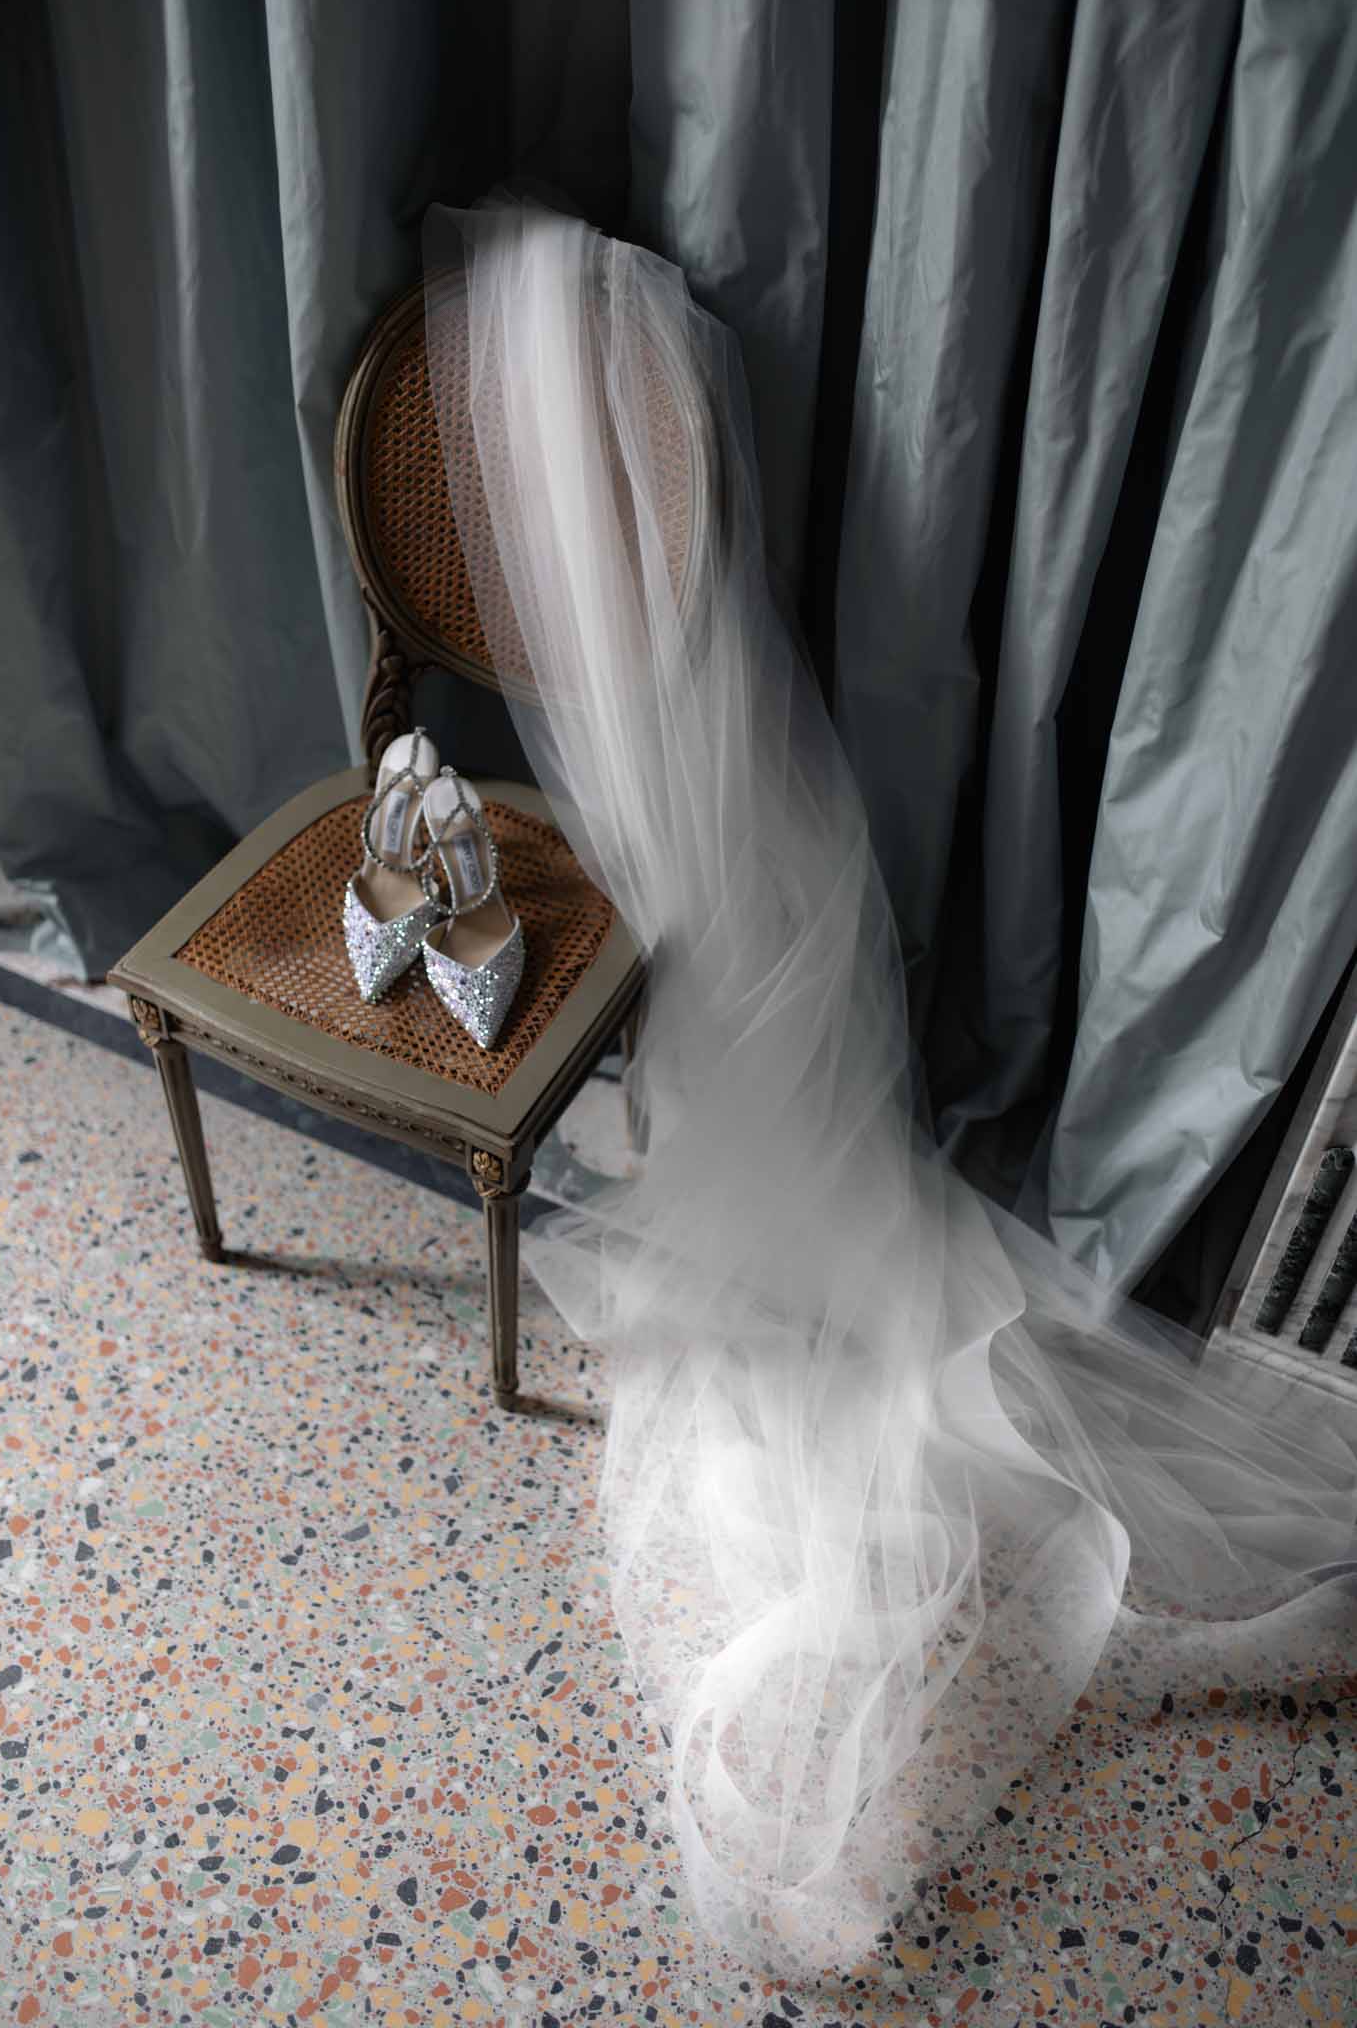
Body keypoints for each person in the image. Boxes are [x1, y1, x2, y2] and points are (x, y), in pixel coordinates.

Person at [422, 197, 1357, 1975]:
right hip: (760, 900)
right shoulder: (704, 669)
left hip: (754, 945)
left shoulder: (682, 604)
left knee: (810, 1379)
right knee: (826, 1229)